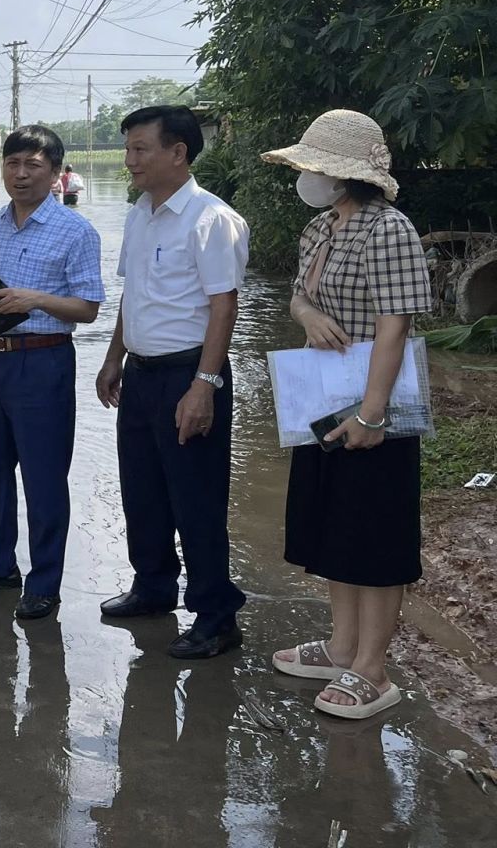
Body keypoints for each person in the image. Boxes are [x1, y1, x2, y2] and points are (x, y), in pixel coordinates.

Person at [261, 110, 432, 719]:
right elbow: (301, 295)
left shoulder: (389, 229)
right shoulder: (323, 229)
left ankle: (373, 669)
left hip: (373, 400)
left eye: (313, 165)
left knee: (375, 532)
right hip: (321, 393)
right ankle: (340, 647)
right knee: (333, 523)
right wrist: (305, 314)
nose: (306, 175)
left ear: (340, 173)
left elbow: (396, 328)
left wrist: (372, 413)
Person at [96, 106, 248, 659]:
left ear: (177, 152)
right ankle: (153, 587)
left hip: (189, 373)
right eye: (128, 149)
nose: (129, 160)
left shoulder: (211, 219)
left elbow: (223, 306)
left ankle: (216, 615)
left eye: (140, 149)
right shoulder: (140, 212)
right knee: (143, 488)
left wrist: (204, 385)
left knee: (196, 497)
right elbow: (132, 294)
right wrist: (114, 358)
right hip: (141, 373)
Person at [0, 125, 103, 620]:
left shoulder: (77, 231)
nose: (20, 174)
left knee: (44, 475)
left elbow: (89, 308)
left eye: (33, 165)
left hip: (44, 360)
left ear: (55, 172)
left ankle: (45, 582)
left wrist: (34, 299)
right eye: (12, 164)